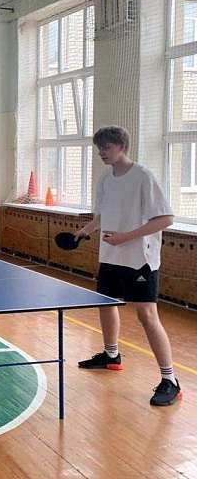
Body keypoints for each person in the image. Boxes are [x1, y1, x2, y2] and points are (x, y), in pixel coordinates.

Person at [74, 126, 181, 406]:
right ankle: (111, 356)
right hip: (110, 256)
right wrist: (84, 232)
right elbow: (101, 216)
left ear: (121, 147)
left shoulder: (143, 176)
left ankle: (170, 380)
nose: (101, 153)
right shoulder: (106, 179)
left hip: (139, 259)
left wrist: (126, 237)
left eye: (106, 148)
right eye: (99, 148)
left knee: (147, 316)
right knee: (106, 304)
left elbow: (166, 219)